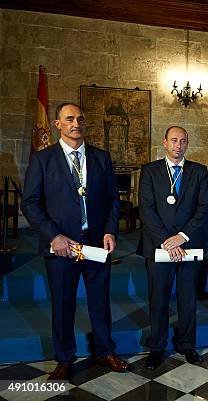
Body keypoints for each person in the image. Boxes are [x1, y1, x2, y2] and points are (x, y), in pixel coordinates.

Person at [22, 103, 128, 380]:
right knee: (63, 304)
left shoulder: (101, 158)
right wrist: (53, 236)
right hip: (61, 247)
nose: (76, 123)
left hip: (95, 244)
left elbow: (112, 200)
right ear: (58, 124)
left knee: (100, 303)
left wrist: (110, 230)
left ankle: (104, 351)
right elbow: (30, 203)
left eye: (80, 118)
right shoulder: (43, 160)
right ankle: (65, 359)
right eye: (69, 119)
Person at [138, 126, 208, 369]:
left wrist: (182, 236)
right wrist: (167, 242)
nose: (178, 145)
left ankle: (187, 344)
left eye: (183, 141)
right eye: (174, 140)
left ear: (187, 144)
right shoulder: (149, 171)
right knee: (158, 299)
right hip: (159, 247)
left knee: (188, 298)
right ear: (165, 142)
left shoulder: (198, 171)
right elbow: (146, 210)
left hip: (188, 245)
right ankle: (157, 347)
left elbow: (203, 208)